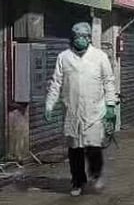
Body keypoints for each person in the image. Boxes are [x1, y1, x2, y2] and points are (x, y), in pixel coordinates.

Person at [46, 22, 118, 196]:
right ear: (73, 38)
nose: (82, 40)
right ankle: (77, 182)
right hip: (72, 111)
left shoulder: (99, 56)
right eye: (78, 37)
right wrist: (50, 103)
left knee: (93, 147)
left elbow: (108, 81)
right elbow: (56, 82)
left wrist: (110, 105)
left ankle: (96, 174)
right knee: (75, 150)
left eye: (85, 37)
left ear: (89, 38)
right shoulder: (64, 57)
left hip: (94, 110)